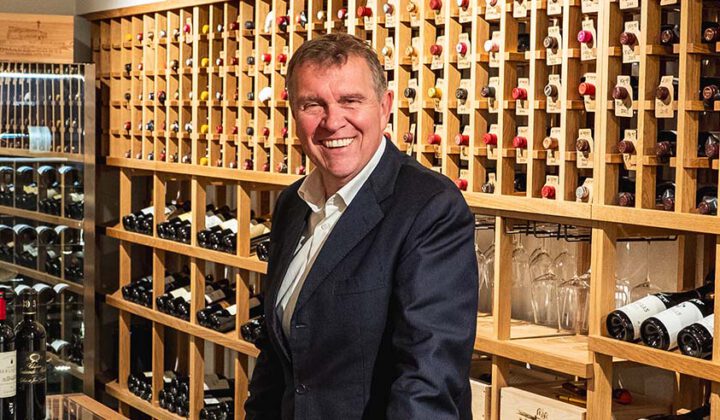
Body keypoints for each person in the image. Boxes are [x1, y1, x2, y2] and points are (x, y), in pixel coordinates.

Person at [245, 33, 478, 420]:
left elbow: (428, 380)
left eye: (350, 101)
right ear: (294, 114)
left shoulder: (430, 207)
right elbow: (277, 353)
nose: (333, 121)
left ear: (385, 107)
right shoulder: (292, 205)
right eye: (312, 104)